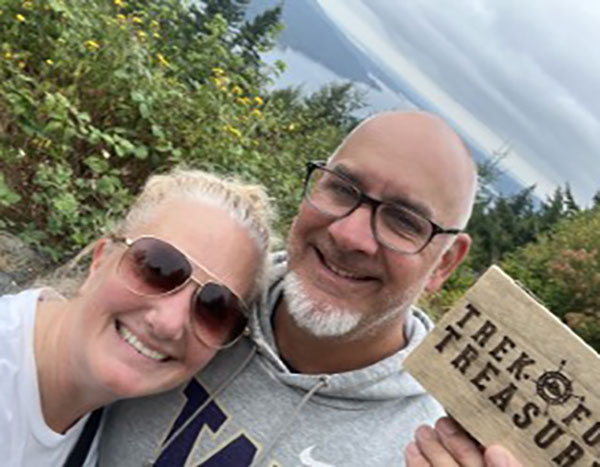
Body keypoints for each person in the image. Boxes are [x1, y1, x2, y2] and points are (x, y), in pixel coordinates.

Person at [99, 111, 522, 466]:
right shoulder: (190, 296)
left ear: (444, 263)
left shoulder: (434, 448)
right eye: (341, 188)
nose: (349, 235)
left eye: (403, 221)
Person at [0, 168, 274, 466]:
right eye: (156, 267)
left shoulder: (113, 428)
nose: (168, 323)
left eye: (216, 308)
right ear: (101, 259)